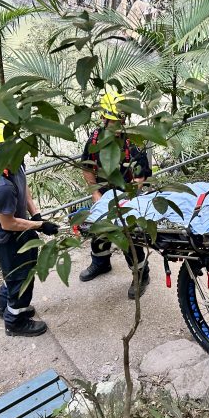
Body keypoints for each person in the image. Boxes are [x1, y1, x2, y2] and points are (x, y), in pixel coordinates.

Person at [0, 123, 59, 337]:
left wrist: (35, 215)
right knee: (21, 277)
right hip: (7, 238)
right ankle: (15, 320)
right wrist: (41, 226)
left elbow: (24, 189)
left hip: (20, 229)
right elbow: (8, 223)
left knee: (14, 273)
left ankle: (3, 305)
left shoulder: (13, 165)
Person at [78, 92, 152, 299]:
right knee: (98, 229)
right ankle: (100, 262)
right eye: (113, 120)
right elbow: (86, 167)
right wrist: (96, 196)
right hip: (102, 193)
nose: (118, 123)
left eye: (121, 119)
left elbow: (140, 177)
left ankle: (141, 273)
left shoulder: (133, 141)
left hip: (126, 195)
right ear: (104, 119)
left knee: (129, 236)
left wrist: (125, 201)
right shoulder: (95, 139)